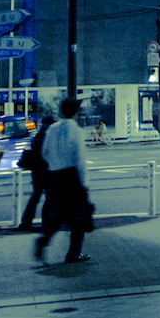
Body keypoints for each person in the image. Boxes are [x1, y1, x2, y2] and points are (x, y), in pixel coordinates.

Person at [35, 98, 93, 264]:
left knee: (59, 214)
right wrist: (84, 183)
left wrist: (54, 166)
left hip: (56, 176)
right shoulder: (76, 130)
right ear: (75, 112)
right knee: (79, 216)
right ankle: (73, 253)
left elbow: (44, 152)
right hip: (72, 176)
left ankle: (44, 240)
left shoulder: (52, 128)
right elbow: (80, 160)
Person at [17, 115, 54, 231]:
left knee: (36, 196)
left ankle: (26, 221)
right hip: (46, 171)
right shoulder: (48, 135)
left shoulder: (38, 135)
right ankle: (47, 222)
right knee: (50, 197)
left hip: (36, 171)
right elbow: (47, 154)